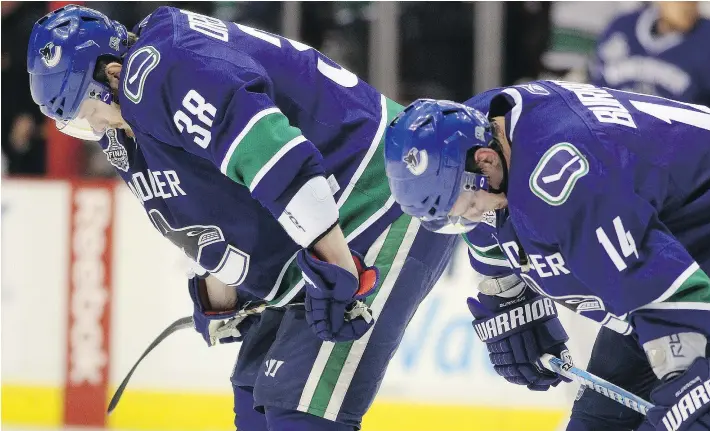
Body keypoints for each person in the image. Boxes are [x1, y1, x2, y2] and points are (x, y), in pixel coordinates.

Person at [27, 6, 457, 430]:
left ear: (113, 74)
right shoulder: (131, 122)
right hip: (314, 231)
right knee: (256, 407)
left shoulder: (167, 70)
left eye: (86, 109)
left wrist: (336, 270)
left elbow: (275, 156)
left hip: (378, 198)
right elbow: (214, 209)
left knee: (300, 412)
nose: (92, 126)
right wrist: (225, 294)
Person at [383, 81, 710, 431]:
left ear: (486, 160)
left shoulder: (564, 180)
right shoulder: (476, 129)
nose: (470, 219)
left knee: (703, 411)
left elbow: (662, 287)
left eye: (468, 207)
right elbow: (488, 219)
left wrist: (686, 377)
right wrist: (510, 292)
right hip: (669, 248)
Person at [590, 1, 710, 112]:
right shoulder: (622, 27)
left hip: (681, 147)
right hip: (616, 138)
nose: (687, 6)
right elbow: (593, 91)